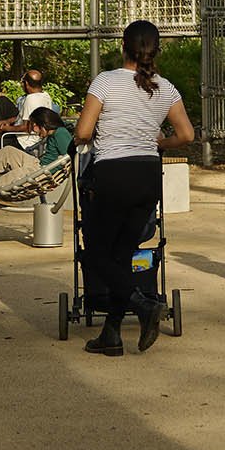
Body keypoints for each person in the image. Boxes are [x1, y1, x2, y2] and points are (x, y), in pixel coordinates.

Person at [73, 20, 196, 356]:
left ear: (123, 46)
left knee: (96, 254)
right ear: (155, 51)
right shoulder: (166, 88)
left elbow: (84, 132)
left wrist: (84, 136)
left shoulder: (106, 82)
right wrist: (160, 141)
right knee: (121, 256)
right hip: (146, 175)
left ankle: (143, 304)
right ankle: (111, 335)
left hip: (113, 173)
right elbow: (186, 135)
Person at [0, 109, 74, 206]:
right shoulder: (54, 134)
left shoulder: (61, 133)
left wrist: (53, 175)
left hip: (43, 172)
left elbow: (70, 157)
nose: (34, 131)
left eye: (34, 126)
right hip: (38, 165)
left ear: (43, 124)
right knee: (7, 152)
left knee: (14, 175)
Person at [0, 70, 55, 176]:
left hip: (22, 140)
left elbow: (26, 128)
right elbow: (21, 116)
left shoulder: (31, 100)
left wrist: (4, 129)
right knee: (2, 101)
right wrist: (5, 122)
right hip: (33, 135)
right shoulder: (45, 96)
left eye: (23, 82)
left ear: (26, 84)